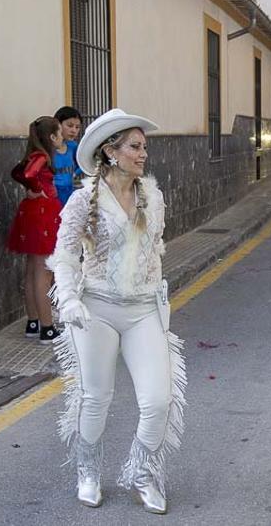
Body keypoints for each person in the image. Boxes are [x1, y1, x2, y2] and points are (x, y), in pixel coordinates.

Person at [47, 109, 186, 514]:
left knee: (158, 400)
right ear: (111, 152)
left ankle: (143, 473)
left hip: (144, 310)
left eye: (145, 147)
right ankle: (88, 472)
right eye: (136, 147)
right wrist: (69, 300)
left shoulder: (153, 197)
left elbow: (155, 250)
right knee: (95, 397)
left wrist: (158, 297)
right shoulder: (81, 201)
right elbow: (65, 256)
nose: (144, 155)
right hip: (97, 311)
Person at [7, 116, 64, 343]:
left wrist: (31, 189)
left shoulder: (33, 154)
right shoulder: (42, 156)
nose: (62, 138)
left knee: (32, 268)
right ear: (51, 137)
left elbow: (17, 172)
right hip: (43, 213)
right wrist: (37, 189)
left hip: (32, 212)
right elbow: (28, 175)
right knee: (44, 271)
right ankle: (47, 327)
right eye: (59, 133)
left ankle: (33, 321)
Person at [53, 106, 84, 205]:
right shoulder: (48, 149)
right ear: (58, 125)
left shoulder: (73, 146)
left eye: (77, 127)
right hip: (52, 196)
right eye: (70, 126)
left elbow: (82, 164)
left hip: (70, 195)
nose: (74, 130)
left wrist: (75, 173)